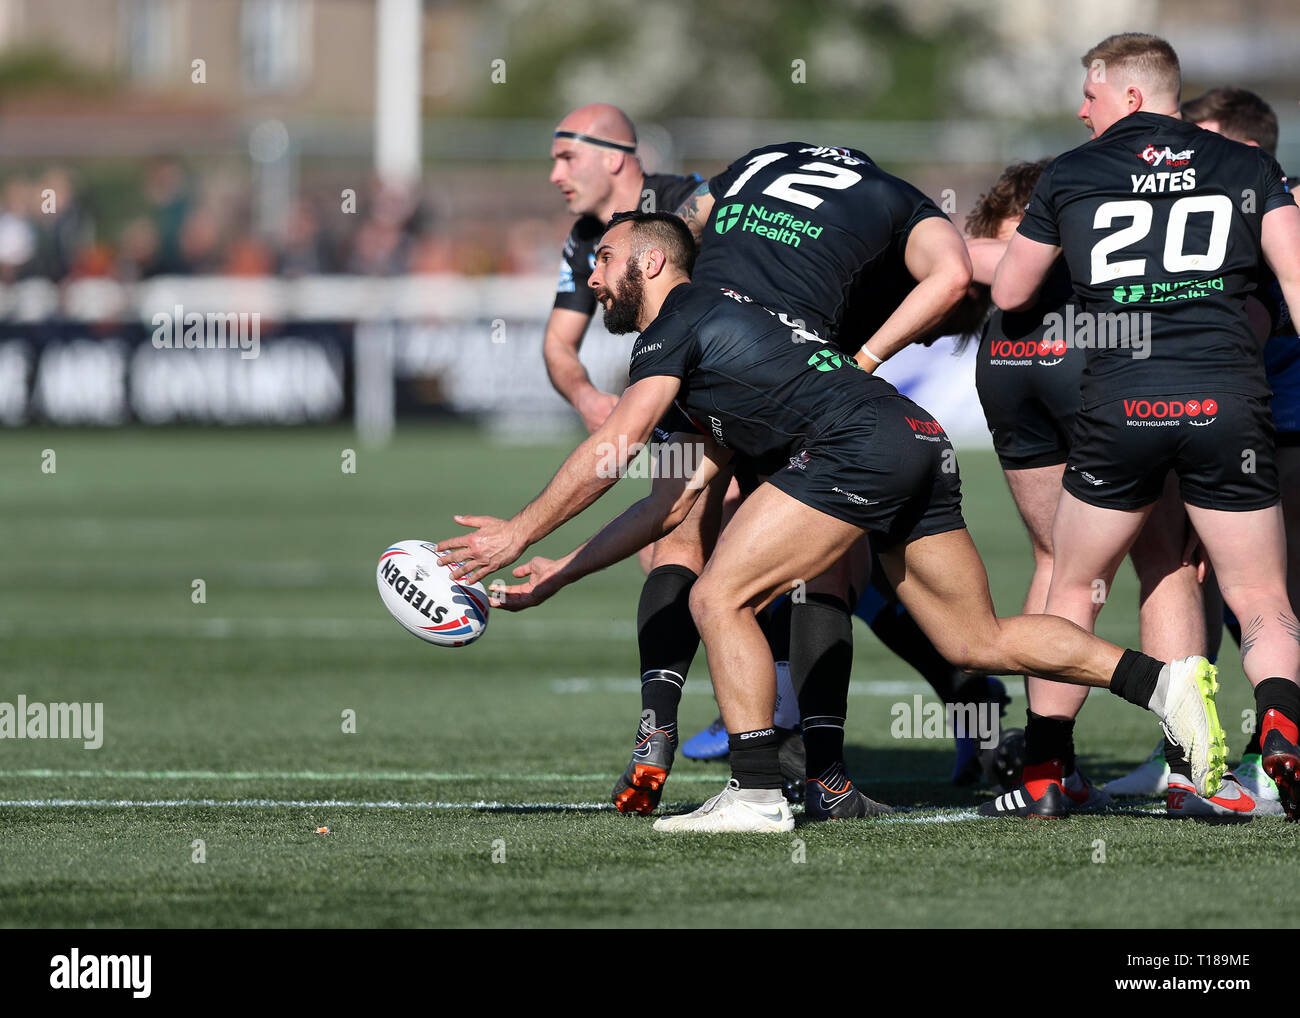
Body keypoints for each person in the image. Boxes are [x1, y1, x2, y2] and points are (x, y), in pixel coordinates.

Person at [436, 210, 1227, 833]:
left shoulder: (675, 321)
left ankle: (754, 795)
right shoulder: (713, 329)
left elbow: (616, 442)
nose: (592, 277)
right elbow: (668, 502)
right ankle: (1165, 683)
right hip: (912, 436)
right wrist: (561, 571)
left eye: (603, 260)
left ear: (650, 261)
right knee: (973, 640)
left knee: (718, 598)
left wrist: (517, 533)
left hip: (858, 448)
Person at [992, 33, 1300, 819]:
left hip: (1121, 403)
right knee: (1261, 594)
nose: (1079, 109)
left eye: (1088, 95)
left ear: (1129, 95)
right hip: (1225, 399)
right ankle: (1278, 733)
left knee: (1072, 588)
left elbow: (1013, 291)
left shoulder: (1072, 170)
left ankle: (1044, 772)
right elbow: (1294, 277)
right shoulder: (1247, 164)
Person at [965, 160, 1240, 814]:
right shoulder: (1104, 200)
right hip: (1091, 352)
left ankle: (1045, 773)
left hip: (1006, 359)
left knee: (1055, 561)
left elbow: (959, 256)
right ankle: (1186, 774)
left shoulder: (1002, 241)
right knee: (1166, 561)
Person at [1109, 86, 1297, 815]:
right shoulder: (1195, 207)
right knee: (1186, 572)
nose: (1182, 158)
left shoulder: (1272, 203)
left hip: (1270, 406)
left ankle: (1273, 748)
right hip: (1210, 408)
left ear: (1246, 149)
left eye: (1202, 140)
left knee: (1274, 583)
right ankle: (1188, 753)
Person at [543, 103, 734, 811]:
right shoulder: (585, 239)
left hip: (744, 384)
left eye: (567, 157)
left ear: (614, 157)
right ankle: (704, 729)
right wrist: (594, 403)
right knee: (676, 546)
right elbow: (559, 348)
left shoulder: (690, 203)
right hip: (678, 395)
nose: (555, 173)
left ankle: (967, 699)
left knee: (823, 564)